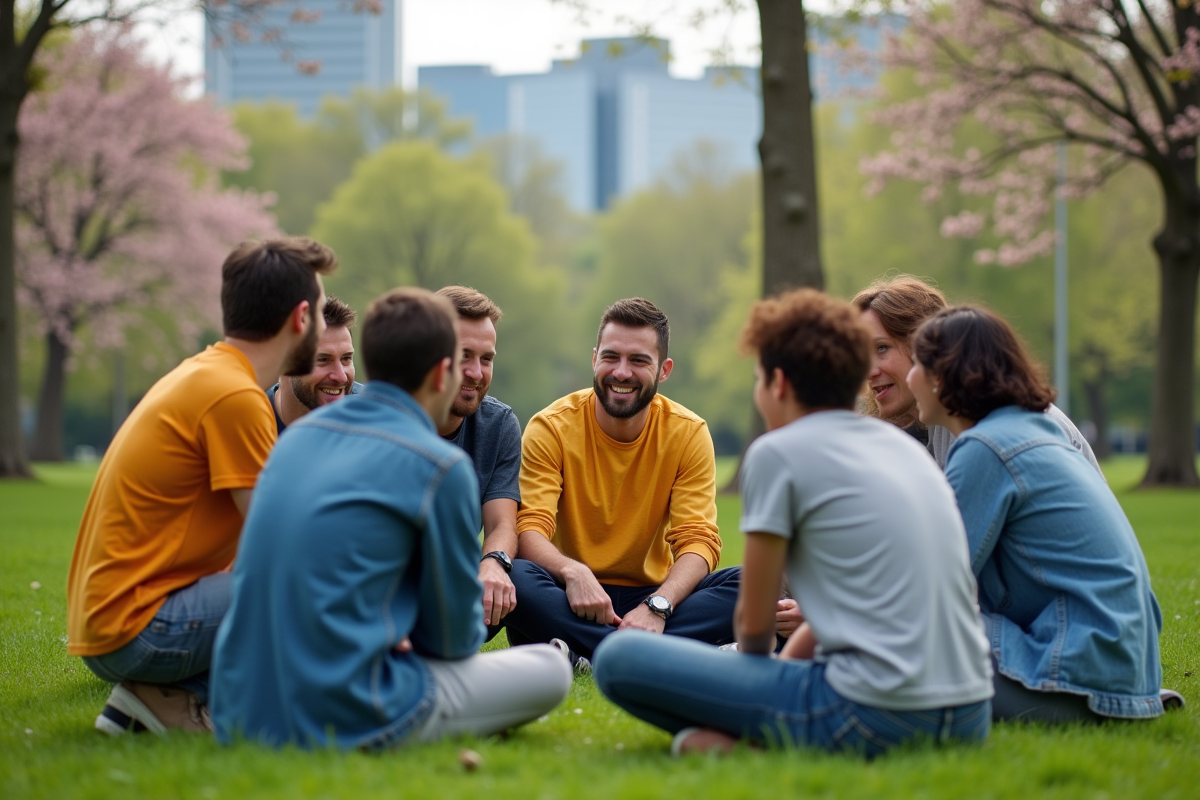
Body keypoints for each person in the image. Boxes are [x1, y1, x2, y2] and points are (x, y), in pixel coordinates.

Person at [593, 288, 993, 756]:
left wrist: (748, 692)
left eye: (758, 379)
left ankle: (763, 742)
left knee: (618, 659)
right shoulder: (905, 449)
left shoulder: (777, 453)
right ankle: (761, 741)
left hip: (874, 714)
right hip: (970, 713)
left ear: (778, 384)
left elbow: (756, 628)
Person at [209, 288, 571, 750]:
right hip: (344, 711)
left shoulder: (293, 440)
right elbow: (452, 641)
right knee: (550, 671)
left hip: (240, 708)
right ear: (442, 372)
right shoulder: (440, 466)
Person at [67, 237, 336, 736]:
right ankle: (196, 697)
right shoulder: (234, 396)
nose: (322, 327)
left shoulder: (208, 374)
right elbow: (277, 547)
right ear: (301, 317)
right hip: (138, 629)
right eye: (321, 313)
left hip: (113, 622)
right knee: (309, 589)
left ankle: (155, 702)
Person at [907, 305, 1169, 723]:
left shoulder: (984, 448)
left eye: (916, 364)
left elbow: (927, 584)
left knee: (904, 636)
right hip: (1122, 671)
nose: (909, 378)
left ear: (942, 375)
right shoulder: (1030, 429)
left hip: (1075, 673)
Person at [504, 297, 740, 666]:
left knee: (752, 584)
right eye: (611, 357)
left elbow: (698, 539)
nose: (622, 372)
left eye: (639, 361)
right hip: (569, 594)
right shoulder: (550, 427)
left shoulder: (688, 433)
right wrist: (572, 570)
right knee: (515, 576)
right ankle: (659, 651)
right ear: (594, 358)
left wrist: (658, 606)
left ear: (664, 370)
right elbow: (530, 528)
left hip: (654, 595)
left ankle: (586, 651)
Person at [852, 275, 1100, 472]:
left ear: (927, 346)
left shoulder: (986, 429)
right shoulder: (949, 423)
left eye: (882, 348)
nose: (869, 371)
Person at [434, 286, 523, 634]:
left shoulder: (498, 425)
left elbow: (502, 523)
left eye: (486, 359)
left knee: (516, 585)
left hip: (451, 584)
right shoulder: (385, 416)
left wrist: (493, 563)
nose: (476, 372)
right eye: (463, 356)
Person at [267, 294, 363, 433]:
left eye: (346, 358)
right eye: (323, 360)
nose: (341, 377)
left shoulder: (377, 420)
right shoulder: (249, 423)